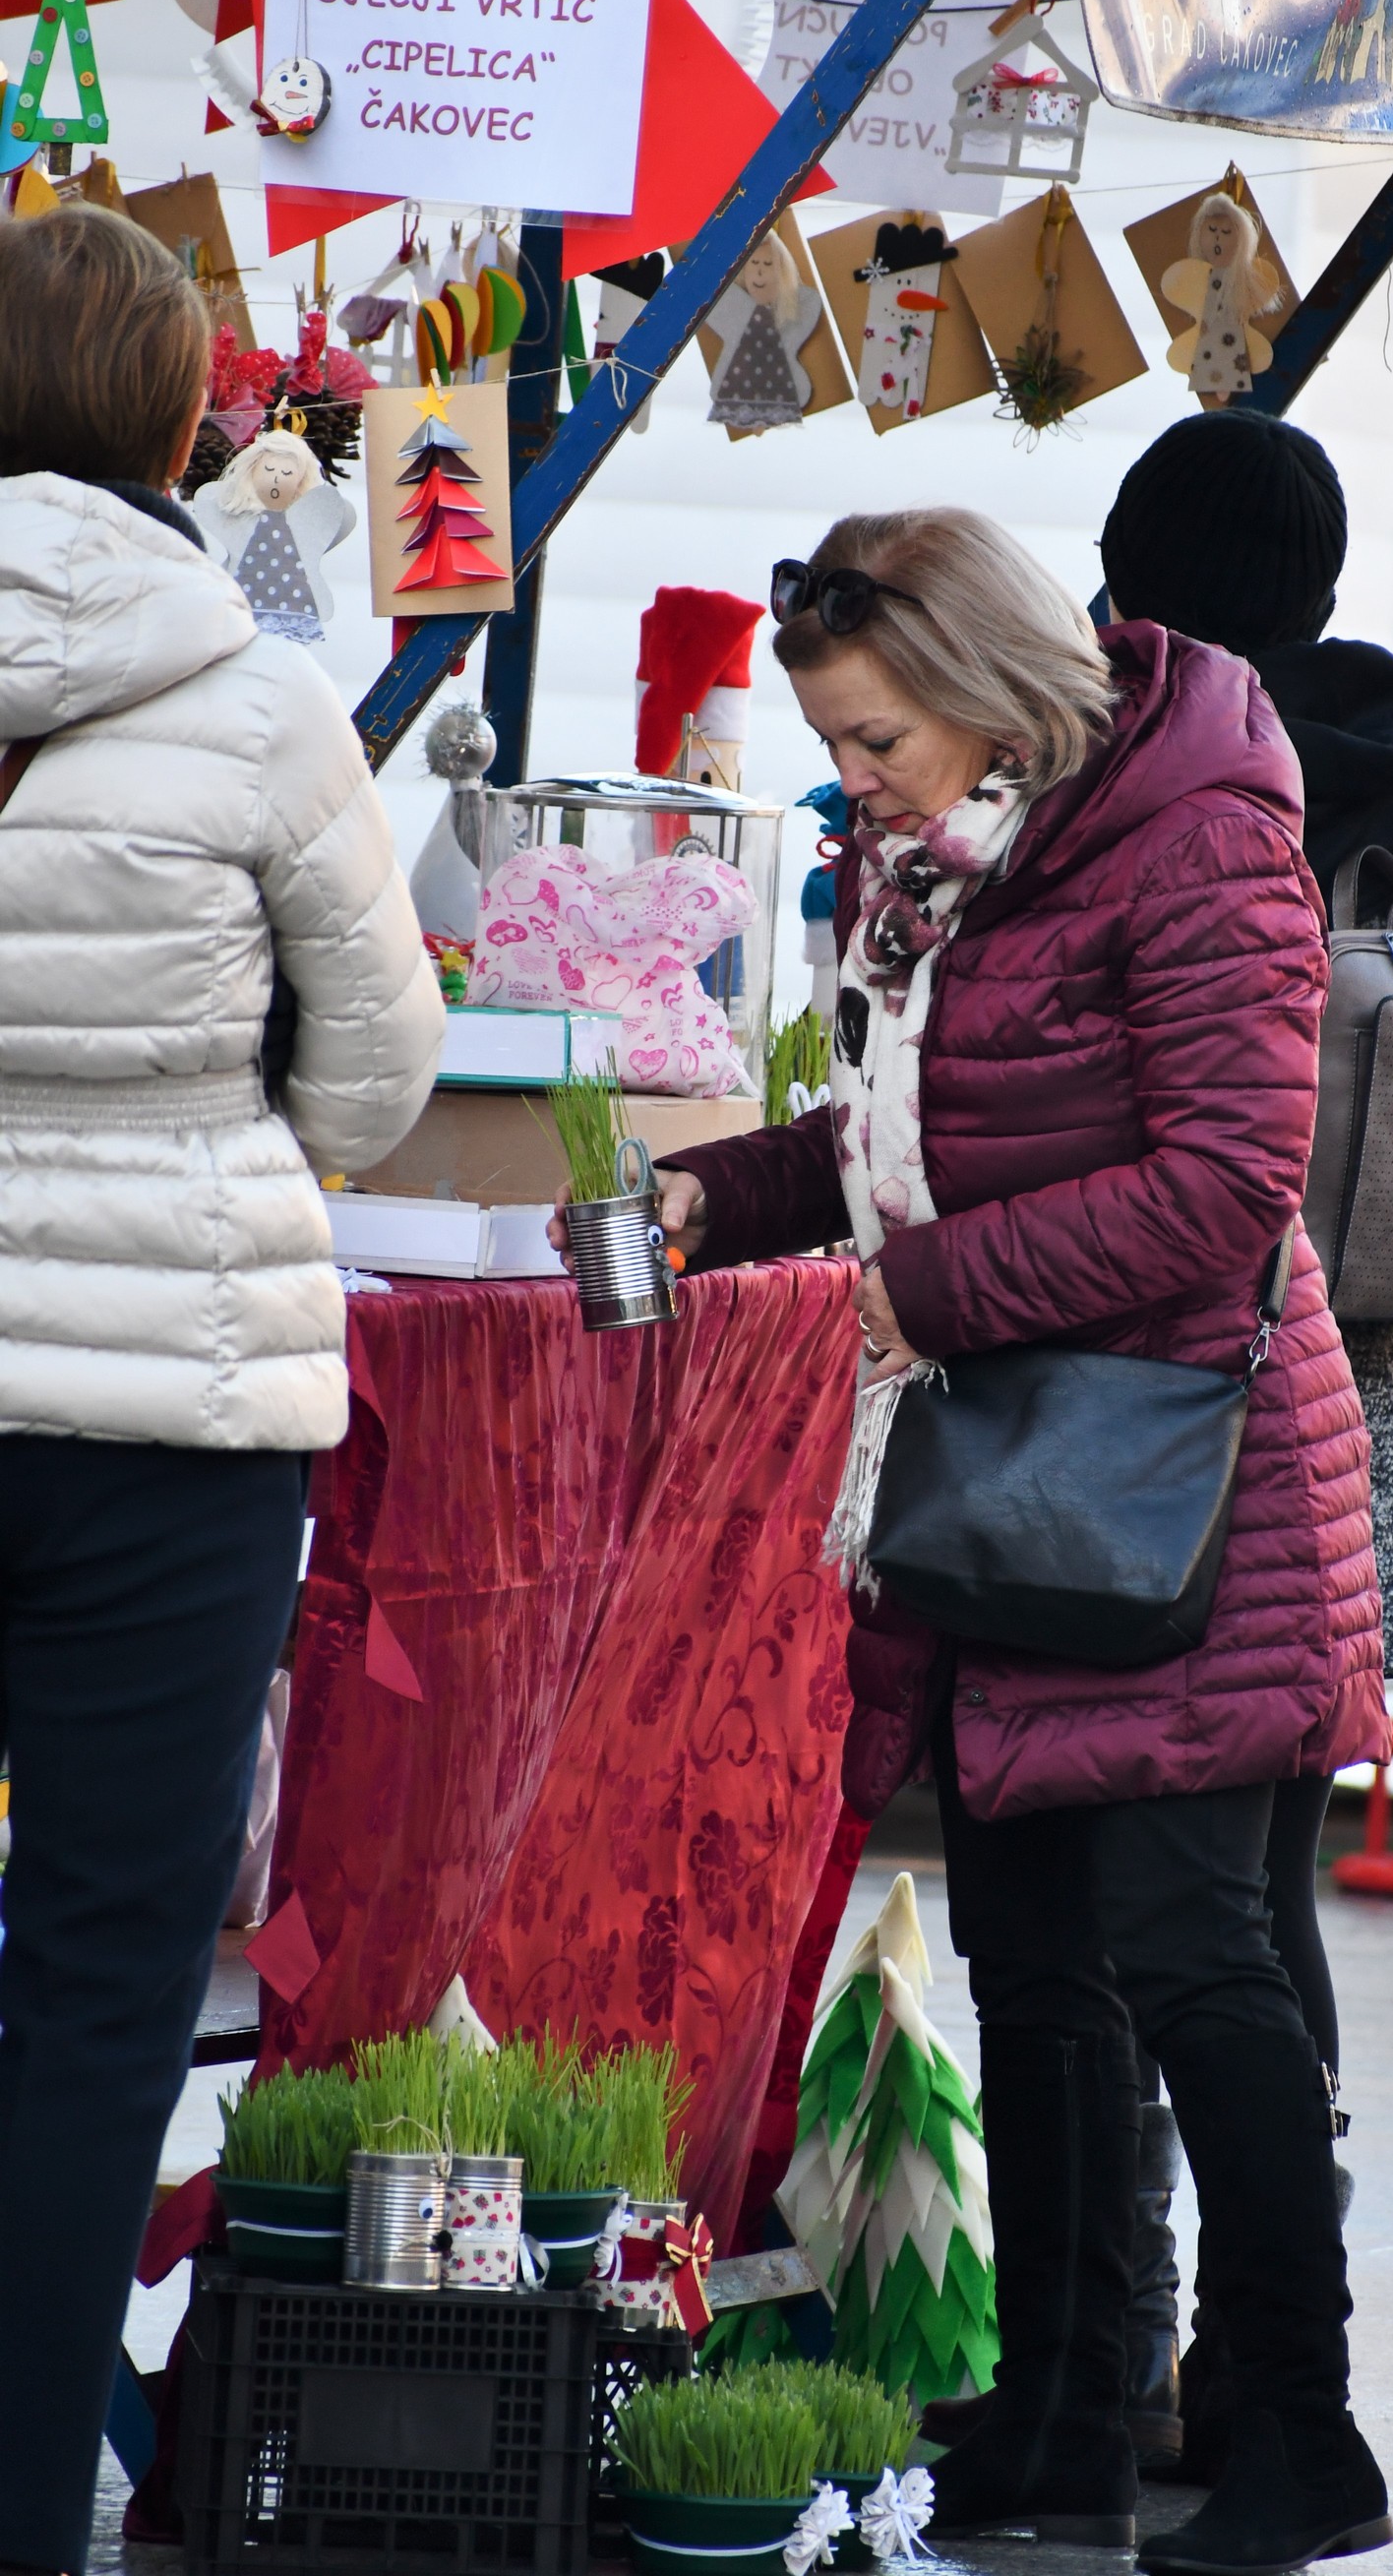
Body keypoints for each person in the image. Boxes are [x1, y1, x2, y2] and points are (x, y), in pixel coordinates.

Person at [564, 509, 1393, 2571]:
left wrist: (917, 1301)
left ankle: (1301, 2437)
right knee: (1035, 1969)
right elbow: (886, 1140)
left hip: (1176, 1481)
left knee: (1202, 1970)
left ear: (987, 688)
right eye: (837, 749)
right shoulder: (943, 863)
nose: (850, 783)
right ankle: (1053, 2424)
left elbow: (1225, 1184)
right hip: (1008, 1476)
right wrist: (719, 1201)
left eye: (870, 741)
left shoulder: (1192, 825)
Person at [0, 205, 444, 2570]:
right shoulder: (266, 707)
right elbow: (374, 1087)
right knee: (98, 1990)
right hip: (170, 1419)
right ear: (190, 418)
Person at [1096, 404, 1393, 2479]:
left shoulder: (1162, 777)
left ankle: (1153, 2356)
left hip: (1159, 1403)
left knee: (1131, 1923)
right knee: (1268, 1904)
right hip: (1358, 1411)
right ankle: (1249, 2371)